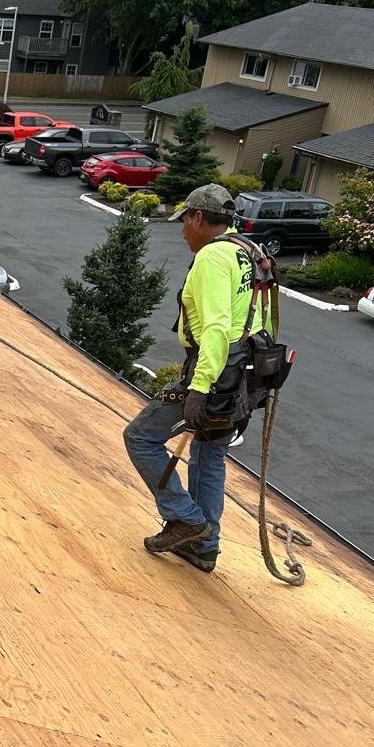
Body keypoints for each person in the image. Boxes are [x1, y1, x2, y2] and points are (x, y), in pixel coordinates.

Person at [123, 182, 267, 574]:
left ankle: (186, 518)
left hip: (214, 374)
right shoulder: (248, 252)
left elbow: (217, 328)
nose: (183, 230)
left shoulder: (212, 257)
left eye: (185, 220)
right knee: (209, 453)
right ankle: (203, 547)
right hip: (244, 376)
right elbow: (259, 318)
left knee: (141, 437)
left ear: (199, 217)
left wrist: (199, 389)